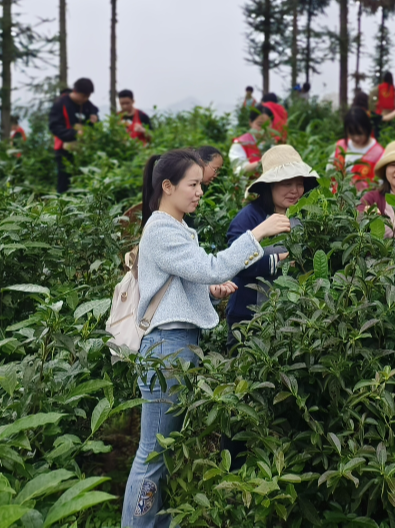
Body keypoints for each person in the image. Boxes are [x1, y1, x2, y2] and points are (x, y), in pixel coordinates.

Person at [123, 149, 290, 527]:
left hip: (178, 345)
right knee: (153, 454)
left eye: (201, 184)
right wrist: (258, 233)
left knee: (161, 454)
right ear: (167, 186)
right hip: (168, 348)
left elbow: (189, 278)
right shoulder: (162, 228)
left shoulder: (177, 227)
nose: (200, 192)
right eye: (193, 184)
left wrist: (208, 291)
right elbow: (209, 266)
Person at [225, 145, 319, 345]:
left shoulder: (307, 215)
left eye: (299, 183)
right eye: (286, 183)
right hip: (250, 320)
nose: (295, 191)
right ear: (270, 185)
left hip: (294, 319)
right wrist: (279, 261)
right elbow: (232, 261)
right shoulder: (249, 217)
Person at [49, 77, 99, 193]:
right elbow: (54, 126)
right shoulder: (60, 104)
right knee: (65, 179)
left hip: (83, 149)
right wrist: (74, 134)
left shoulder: (86, 103)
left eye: (88, 97)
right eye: (83, 96)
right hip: (64, 149)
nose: (85, 99)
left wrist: (94, 116)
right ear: (75, 91)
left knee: (84, 178)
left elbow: (94, 110)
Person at [332, 107, 385, 191]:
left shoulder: (378, 153)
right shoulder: (341, 146)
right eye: (352, 133)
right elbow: (331, 172)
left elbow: (381, 183)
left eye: (360, 133)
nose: (356, 138)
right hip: (339, 200)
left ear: (367, 129)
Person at [229, 105, 273, 174]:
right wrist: (262, 163)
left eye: (267, 124)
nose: (264, 128)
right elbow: (237, 170)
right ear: (250, 122)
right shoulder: (240, 143)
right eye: (260, 124)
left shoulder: (273, 144)